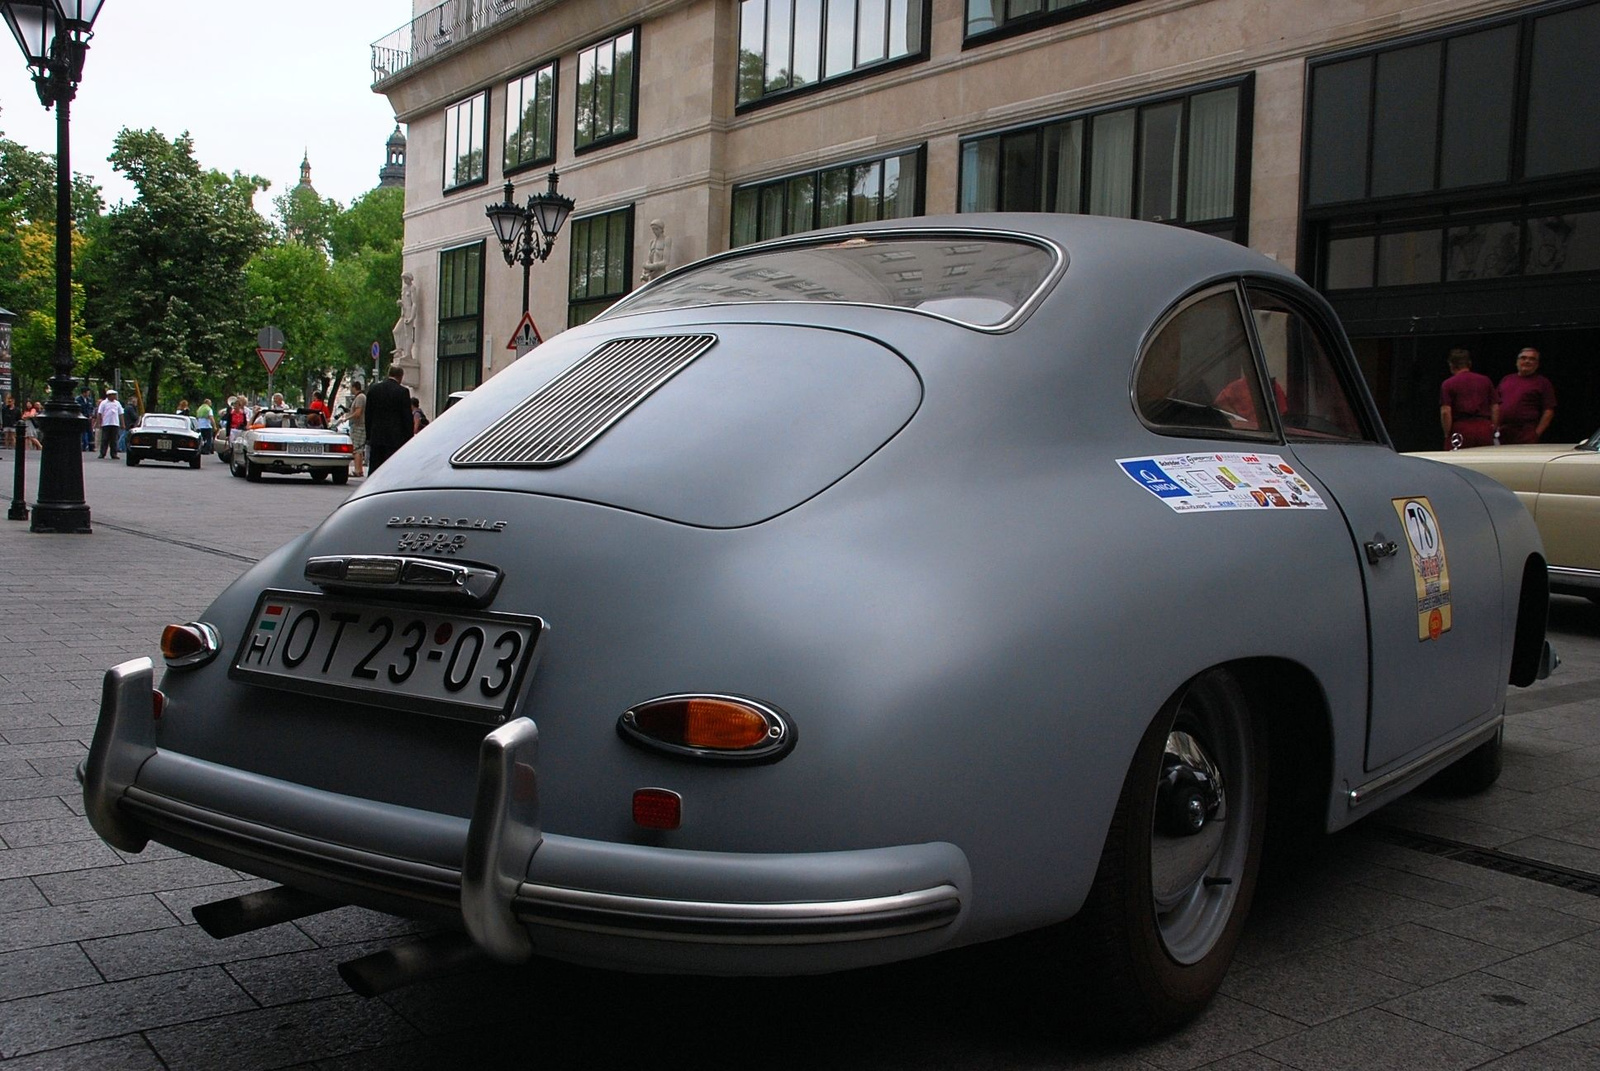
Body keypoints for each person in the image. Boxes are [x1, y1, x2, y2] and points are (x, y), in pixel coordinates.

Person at [1438, 347, 1498, 449]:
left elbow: (1445, 411)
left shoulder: (1448, 384)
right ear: (1469, 363)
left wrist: (1447, 434)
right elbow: (1495, 407)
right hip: (1484, 428)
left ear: (1451, 365)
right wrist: (1493, 427)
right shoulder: (1485, 380)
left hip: (1461, 429)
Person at [1497, 347, 1556, 444]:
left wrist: (1537, 433)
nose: (1527, 361)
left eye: (1532, 359)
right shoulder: (1506, 379)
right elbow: (1496, 405)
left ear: (1537, 364)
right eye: (1523, 358)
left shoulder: (1542, 382)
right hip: (1504, 432)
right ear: (1517, 361)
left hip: (1526, 432)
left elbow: (1549, 411)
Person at [364, 366, 413, 473]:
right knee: (391, 468)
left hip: (376, 436)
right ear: (400, 377)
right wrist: (409, 437)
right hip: (395, 438)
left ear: (388, 374)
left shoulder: (374, 389)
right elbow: (407, 417)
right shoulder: (402, 392)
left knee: (375, 467)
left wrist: (369, 435)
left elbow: (368, 415)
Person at [346, 380, 368, 477]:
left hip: (358, 427)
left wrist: (347, 417)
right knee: (358, 449)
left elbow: (358, 413)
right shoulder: (361, 397)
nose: (350, 389)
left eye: (351, 387)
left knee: (356, 449)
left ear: (354, 387)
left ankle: (357, 470)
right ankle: (359, 470)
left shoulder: (360, 398)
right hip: (359, 426)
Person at [96, 388, 123, 459]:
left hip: (115, 423)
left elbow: (121, 413)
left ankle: (114, 454)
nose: (114, 397)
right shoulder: (104, 403)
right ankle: (102, 453)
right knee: (105, 439)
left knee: (114, 440)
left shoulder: (117, 403)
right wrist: (99, 423)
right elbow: (99, 413)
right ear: (109, 396)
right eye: (113, 395)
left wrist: (122, 423)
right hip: (106, 423)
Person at [76, 385, 95, 450]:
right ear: (83, 393)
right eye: (87, 392)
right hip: (82, 417)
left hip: (88, 418)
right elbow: (78, 409)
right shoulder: (78, 400)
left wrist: (90, 415)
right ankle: (82, 446)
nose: (88, 394)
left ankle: (91, 446)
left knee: (90, 432)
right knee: (82, 432)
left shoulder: (89, 400)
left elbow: (91, 408)